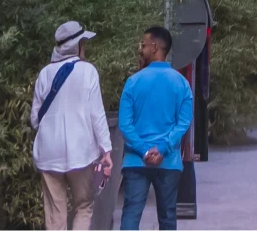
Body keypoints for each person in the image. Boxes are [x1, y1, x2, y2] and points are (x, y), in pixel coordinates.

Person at [30, 21, 111, 231]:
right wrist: (106, 150)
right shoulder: (88, 71)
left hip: (48, 152)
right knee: (83, 205)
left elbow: (34, 120)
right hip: (81, 153)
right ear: (77, 45)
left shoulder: (44, 74)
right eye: (84, 42)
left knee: (55, 214)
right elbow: (97, 114)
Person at [117, 25, 194, 231]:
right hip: (168, 162)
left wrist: (143, 150)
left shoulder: (133, 82)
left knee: (131, 213)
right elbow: (184, 123)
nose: (140, 49)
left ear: (155, 47)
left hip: (135, 160)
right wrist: (162, 148)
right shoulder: (182, 84)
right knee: (168, 217)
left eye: (143, 45)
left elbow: (125, 124)